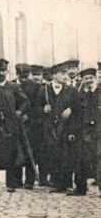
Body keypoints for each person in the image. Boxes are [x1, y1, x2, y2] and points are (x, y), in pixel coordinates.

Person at [0, 59, 30, 193]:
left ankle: (11, 184)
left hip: (10, 126)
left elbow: (25, 102)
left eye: (3, 71)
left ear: (7, 72)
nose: (1, 73)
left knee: (11, 155)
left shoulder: (13, 87)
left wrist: (18, 112)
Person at [37, 63, 79, 193]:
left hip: (66, 128)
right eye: (61, 74)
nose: (64, 76)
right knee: (53, 155)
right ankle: (56, 183)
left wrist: (70, 110)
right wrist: (42, 109)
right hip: (49, 129)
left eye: (65, 73)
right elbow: (36, 108)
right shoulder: (44, 90)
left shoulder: (72, 91)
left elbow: (78, 110)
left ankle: (67, 183)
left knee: (66, 156)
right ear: (54, 75)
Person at [69, 67, 100, 196]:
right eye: (86, 78)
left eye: (90, 78)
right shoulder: (79, 95)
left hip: (99, 132)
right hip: (83, 132)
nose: (88, 81)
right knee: (81, 159)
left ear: (96, 79)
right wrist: (72, 131)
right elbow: (75, 115)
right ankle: (81, 188)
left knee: (99, 159)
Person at [13, 63, 41, 189]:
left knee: (31, 150)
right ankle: (16, 180)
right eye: (21, 76)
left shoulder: (36, 87)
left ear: (29, 75)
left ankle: (29, 180)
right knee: (17, 151)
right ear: (17, 74)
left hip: (31, 123)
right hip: (14, 123)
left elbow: (37, 105)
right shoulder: (10, 85)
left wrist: (28, 116)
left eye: (26, 76)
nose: (23, 79)